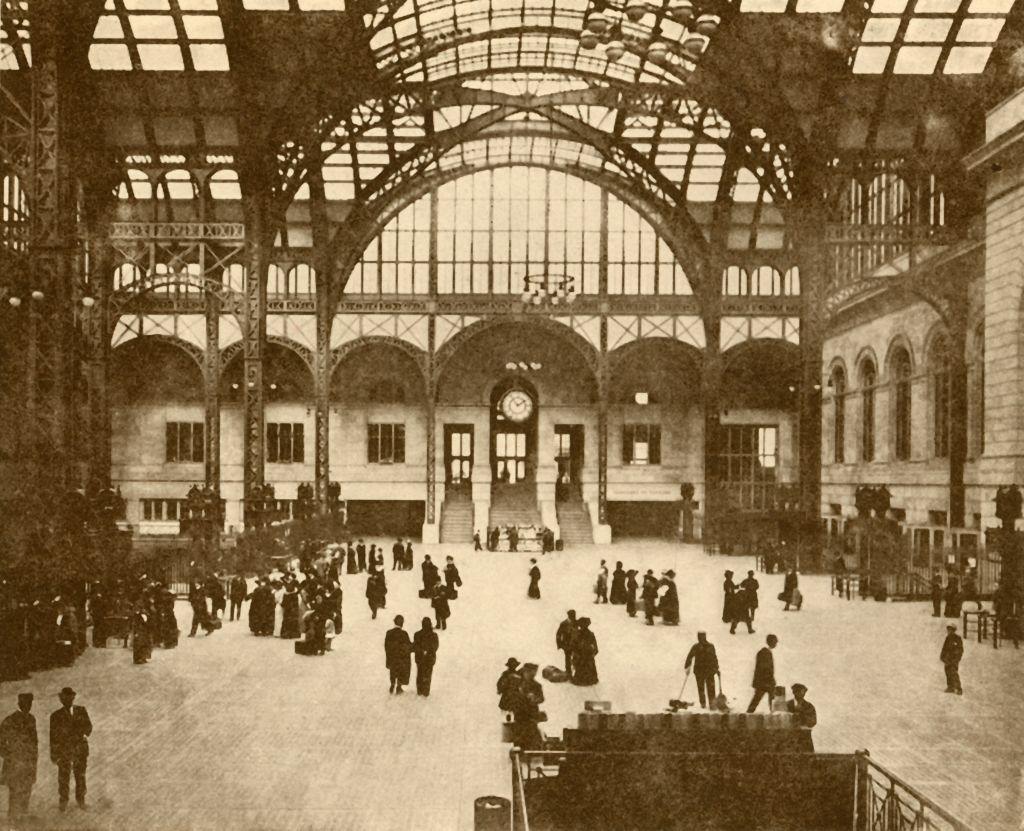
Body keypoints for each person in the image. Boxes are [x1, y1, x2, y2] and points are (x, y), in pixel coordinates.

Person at [49, 687, 91, 812]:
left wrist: (84, 734)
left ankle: (81, 800)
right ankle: (63, 802)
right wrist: (54, 754)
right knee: (63, 777)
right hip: (64, 751)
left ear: (73, 697)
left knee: (80, 776)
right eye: (64, 698)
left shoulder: (81, 710)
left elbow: (89, 726)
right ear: (62, 700)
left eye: (70, 697)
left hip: (80, 749)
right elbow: (53, 737)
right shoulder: (55, 716)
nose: (67, 700)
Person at [0, 693, 37, 821]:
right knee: (15, 789)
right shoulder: (10, 720)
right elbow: (1, 741)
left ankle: (23, 814)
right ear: (20, 704)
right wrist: (8, 755)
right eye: (26, 704)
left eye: (30, 704)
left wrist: (34, 759)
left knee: (27, 787)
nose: (29, 706)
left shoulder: (32, 719)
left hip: (29, 761)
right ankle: (12, 817)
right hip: (15, 763)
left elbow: (34, 741)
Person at [509, 663, 544, 750]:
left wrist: (534, 699)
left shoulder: (537, 685)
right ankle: (519, 754)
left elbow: (541, 698)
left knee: (532, 733)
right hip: (520, 713)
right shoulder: (517, 684)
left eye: (533, 673)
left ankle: (531, 752)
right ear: (525, 672)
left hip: (531, 715)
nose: (531, 675)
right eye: (529, 673)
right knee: (520, 734)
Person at [684, 632, 720, 709]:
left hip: (705, 670)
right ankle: (707, 704)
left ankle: (708, 703)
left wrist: (716, 668)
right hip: (703, 670)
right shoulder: (702, 646)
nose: (700, 638)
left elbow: (714, 658)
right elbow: (690, 656)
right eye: (700, 637)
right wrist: (687, 666)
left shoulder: (705, 646)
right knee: (706, 688)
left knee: (705, 688)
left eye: (701, 637)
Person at [746, 634, 779, 713]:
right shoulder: (766, 653)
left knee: (757, 699)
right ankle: (773, 714)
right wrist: (770, 680)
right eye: (775, 641)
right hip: (765, 682)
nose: (776, 643)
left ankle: (747, 714)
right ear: (771, 642)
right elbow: (765, 668)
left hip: (762, 682)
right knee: (769, 699)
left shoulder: (764, 652)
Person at [384, 615, 412, 694]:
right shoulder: (404, 634)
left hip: (392, 657)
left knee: (393, 671)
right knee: (401, 671)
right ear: (402, 623)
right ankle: (399, 687)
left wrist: (388, 655)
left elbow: (386, 646)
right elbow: (408, 646)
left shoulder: (389, 633)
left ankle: (392, 684)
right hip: (401, 658)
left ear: (394, 622)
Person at [413, 618, 439, 697]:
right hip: (430, 658)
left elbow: (415, 646)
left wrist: (422, 651)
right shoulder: (434, 635)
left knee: (420, 673)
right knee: (428, 674)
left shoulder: (417, 634)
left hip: (419, 658)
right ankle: (426, 691)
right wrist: (427, 651)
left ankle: (419, 690)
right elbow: (435, 646)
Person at [571, 618, 599, 686]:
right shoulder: (590, 634)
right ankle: (589, 680)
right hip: (586, 657)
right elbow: (596, 649)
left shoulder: (577, 634)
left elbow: (573, 646)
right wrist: (592, 655)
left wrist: (575, 654)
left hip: (582, 657)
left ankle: (583, 680)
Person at [940, 624, 964, 695]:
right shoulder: (948, 638)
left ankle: (958, 688)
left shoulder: (957, 638)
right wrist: (942, 656)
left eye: (950, 630)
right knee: (947, 672)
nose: (949, 631)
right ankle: (950, 686)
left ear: (954, 630)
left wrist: (957, 658)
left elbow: (960, 649)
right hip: (947, 658)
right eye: (948, 630)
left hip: (954, 659)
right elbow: (944, 648)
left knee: (953, 673)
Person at [555, 610, 577, 678]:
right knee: (567, 658)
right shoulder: (563, 624)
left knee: (575, 657)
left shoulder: (576, 622)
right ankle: (568, 672)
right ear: (569, 616)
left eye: (574, 615)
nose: (574, 617)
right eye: (572, 616)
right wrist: (560, 644)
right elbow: (558, 634)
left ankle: (576, 671)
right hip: (566, 644)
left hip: (575, 644)